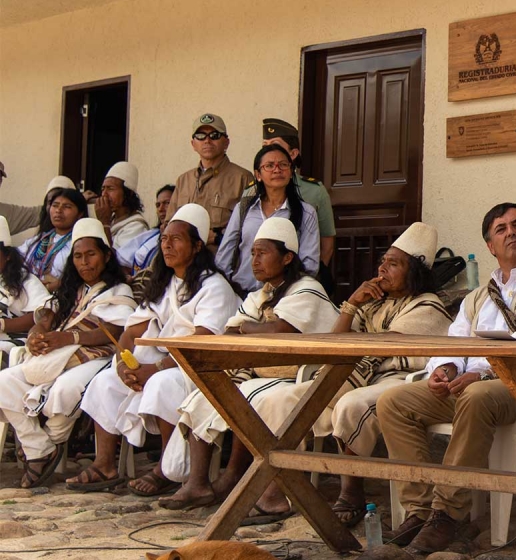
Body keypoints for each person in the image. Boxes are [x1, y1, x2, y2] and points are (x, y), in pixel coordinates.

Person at [238, 222, 451, 526]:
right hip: (353, 373)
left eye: (393, 264)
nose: (382, 269)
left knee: (350, 403)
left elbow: (389, 346)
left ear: (414, 271)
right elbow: (336, 344)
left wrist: (354, 345)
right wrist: (351, 304)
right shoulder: (372, 304)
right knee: (278, 399)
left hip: (396, 379)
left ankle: (351, 491)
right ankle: (277, 492)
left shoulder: (427, 304)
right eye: (382, 262)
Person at [377, 203, 516, 552]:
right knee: (392, 402)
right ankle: (420, 509)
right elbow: (454, 341)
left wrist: (480, 372)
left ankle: (448, 514)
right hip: (469, 386)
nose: (511, 232)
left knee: (476, 396)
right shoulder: (478, 295)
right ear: (490, 245)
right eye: (501, 229)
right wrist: (446, 369)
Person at [158, 217, 339, 509]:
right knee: (204, 397)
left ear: (287, 257)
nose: (254, 261)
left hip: (303, 376)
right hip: (265, 373)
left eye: (262, 253)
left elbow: (282, 331)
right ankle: (198, 484)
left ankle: (253, 484)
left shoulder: (307, 288)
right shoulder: (261, 294)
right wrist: (251, 328)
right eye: (252, 253)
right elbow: (230, 331)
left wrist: (248, 328)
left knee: (256, 400)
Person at [67, 204, 240, 495]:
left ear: (197, 246)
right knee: (105, 380)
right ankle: (104, 464)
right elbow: (132, 330)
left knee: (161, 383)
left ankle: (166, 469)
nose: (167, 245)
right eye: (163, 239)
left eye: (176, 239)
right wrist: (123, 365)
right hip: (163, 362)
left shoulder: (215, 287)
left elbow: (200, 343)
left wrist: (154, 369)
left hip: (199, 367)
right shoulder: (164, 283)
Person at [0, 218, 135, 488]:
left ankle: (45, 445)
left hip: (98, 356)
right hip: (57, 353)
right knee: (4, 382)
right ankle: (41, 449)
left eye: (91, 255)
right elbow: (45, 316)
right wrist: (37, 334)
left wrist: (69, 338)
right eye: (78, 257)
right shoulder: (71, 290)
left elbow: (112, 331)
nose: (84, 263)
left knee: (63, 390)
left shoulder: (119, 290)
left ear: (106, 256)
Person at [217, 145, 319, 293]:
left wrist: (292, 294)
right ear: (258, 175)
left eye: (283, 165)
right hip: (242, 294)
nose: (277, 170)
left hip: (284, 298)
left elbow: (309, 264)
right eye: (269, 166)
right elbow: (225, 253)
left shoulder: (306, 213)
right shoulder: (244, 208)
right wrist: (224, 290)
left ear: (291, 172)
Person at [253, 118, 336, 287]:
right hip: (250, 286)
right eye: (265, 145)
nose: (270, 149)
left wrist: (309, 280)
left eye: (275, 144)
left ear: (293, 154)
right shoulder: (250, 194)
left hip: (292, 286)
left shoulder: (314, 191)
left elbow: (326, 239)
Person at [164, 113, 254, 248]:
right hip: (185, 263)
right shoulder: (184, 180)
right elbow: (168, 224)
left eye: (214, 135)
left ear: (226, 142)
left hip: (221, 262)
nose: (207, 141)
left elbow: (250, 228)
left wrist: (217, 237)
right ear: (193, 144)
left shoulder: (243, 178)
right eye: (200, 136)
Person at [0, 217, 53, 358]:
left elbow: (43, 314)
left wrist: (3, 325)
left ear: (8, 255)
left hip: (15, 343)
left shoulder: (26, 280)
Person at [18, 187, 89, 292]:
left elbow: (84, 276)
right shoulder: (39, 240)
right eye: (55, 205)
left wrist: (58, 284)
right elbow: (14, 259)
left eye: (67, 206)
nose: (58, 210)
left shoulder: (81, 243)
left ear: (80, 213)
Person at [116, 184, 175, 274]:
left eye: (167, 203)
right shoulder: (151, 235)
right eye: (158, 205)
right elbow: (121, 260)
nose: (161, 209)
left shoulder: (183, 238)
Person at [94, 162, 150, 250]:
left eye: (111, 189)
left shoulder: (136, 227)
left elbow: (114, 260)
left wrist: (105, 223)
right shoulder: (111, 220)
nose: (104, 194)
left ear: (128, 193)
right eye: (103, 189)